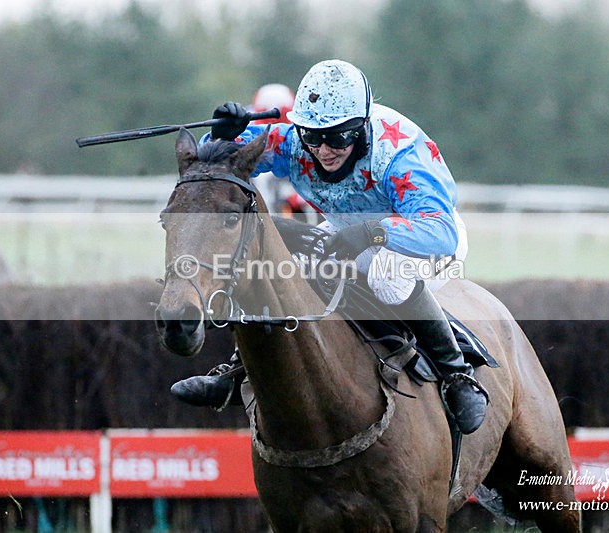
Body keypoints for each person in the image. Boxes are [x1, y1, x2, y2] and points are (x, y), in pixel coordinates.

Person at [172, 59, 488, 434]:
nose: (324, 149)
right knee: (279, 261)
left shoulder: (402, 158)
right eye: (314, 136)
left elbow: (440, 230)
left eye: (339, 137)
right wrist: (222, 136)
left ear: (362, 127)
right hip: (348, 229)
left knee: (386, 276)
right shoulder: (296, 142)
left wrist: (373, 233)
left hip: (424, 240)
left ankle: (456, 373)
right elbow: (228, 164)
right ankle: (240, 368)